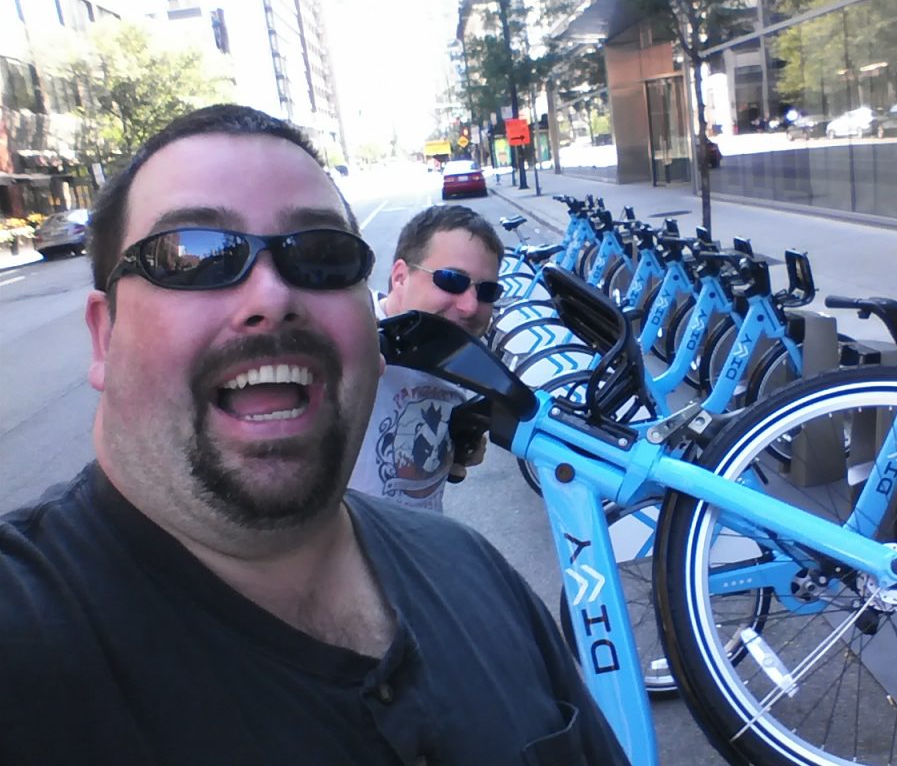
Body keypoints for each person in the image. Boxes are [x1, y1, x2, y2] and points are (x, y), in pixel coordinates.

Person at [0, 104, 629, 765]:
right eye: (192, 255)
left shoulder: (476, 572)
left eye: (323, 256)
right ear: (105, 337)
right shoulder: (26, 634)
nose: (272, 295)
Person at [349, 204, 503, 512]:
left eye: (487, 291)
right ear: (400, 277)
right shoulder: (351, 343)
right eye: (451, 280)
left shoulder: (458, 354)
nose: (470, 306)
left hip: (416, 545)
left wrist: (453, 452)